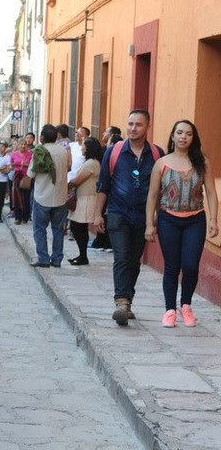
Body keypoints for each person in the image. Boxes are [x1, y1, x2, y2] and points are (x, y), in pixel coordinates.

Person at [92, 109, 165, 326]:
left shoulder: (157, 154)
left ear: (147, 127)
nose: (133, 128)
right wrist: (97, 214)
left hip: (143, 216)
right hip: (118, 212)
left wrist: (156, 219)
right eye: (130, 124)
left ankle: (128, 301)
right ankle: (121, 302)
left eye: (138, 125)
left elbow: (160, 190)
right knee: (122, 257)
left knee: (134, 260)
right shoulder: (113, 152)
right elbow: (103, 184)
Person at [145, 120, 218, 328]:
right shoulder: (162, 163)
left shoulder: (202, 162)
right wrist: (150, 224)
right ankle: (169, 310)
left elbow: (211, 192)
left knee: (190, 265)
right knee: (172, 266)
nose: (183, 137)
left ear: (193, 138)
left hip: (195, 220)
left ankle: (186, 305)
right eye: (179, 132)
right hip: (168, 220)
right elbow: (152, 196)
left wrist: (213, 219)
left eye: (188, 133)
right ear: (173, 136)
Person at [27, 124, 70, 268]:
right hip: (60, 196)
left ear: (42, 137)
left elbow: (30, 174)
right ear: (56, 136)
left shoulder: (40, 151)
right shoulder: (64, 151)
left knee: (39, 229)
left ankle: (43, 258)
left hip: (42, 196)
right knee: (58, 230)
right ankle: (57, 259)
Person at [67, 136, 103, 265]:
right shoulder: (89, 162)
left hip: (86, 199)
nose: (82, 148)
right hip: (83, 197)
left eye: (84, 146)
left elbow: (78, 180)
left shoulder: (92, 163)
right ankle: (82, 255)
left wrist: (70, 183)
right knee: (79, 228)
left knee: (78, 227)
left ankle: (83, 256)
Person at [10, 134, 34, 224]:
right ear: (18, 145)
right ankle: (18, 217)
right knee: (16, 197)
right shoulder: (14, 154)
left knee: (26, 197)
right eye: (21, 144)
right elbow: (12, 165)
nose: (23, 146)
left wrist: (25, 164)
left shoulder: (30, 154)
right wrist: (12, 166)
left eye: (24, 144)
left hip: (26, 177)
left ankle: (25, 217)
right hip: (17, 176)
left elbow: (32, 165)